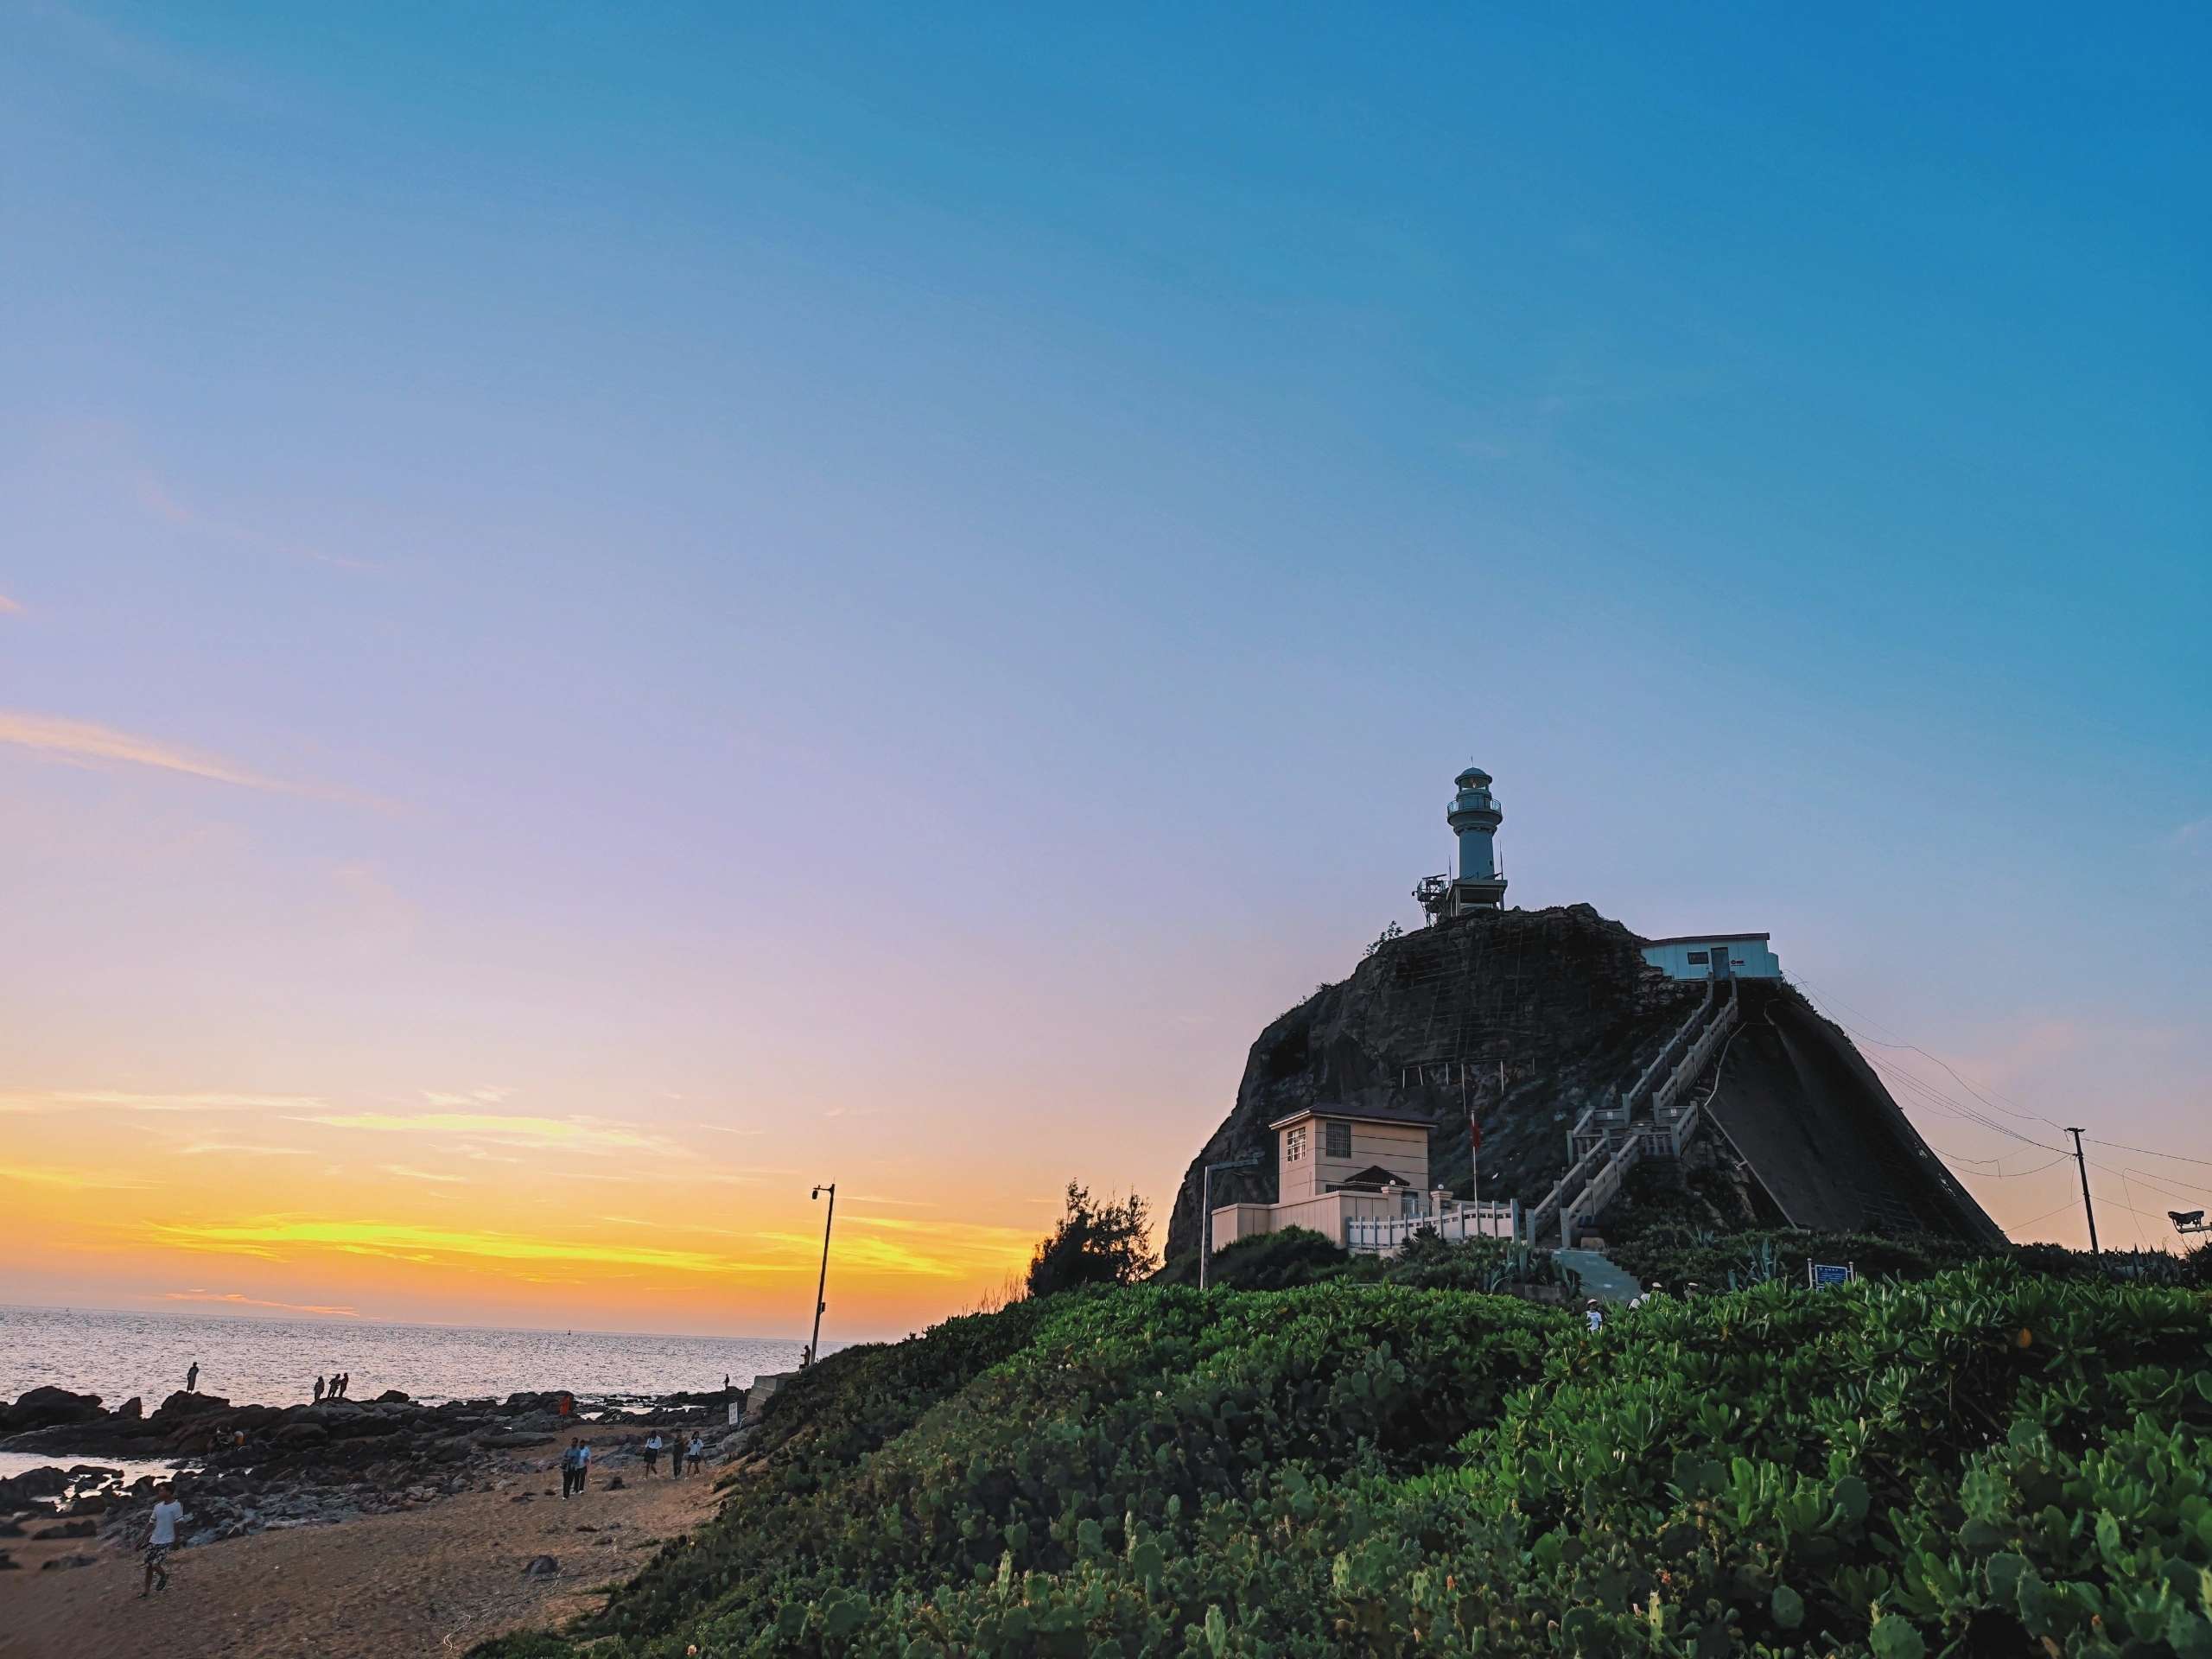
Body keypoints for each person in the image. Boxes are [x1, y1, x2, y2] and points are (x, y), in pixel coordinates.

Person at [141, 1482, 185, 1596]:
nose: (159, 1493)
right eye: (160, 1490)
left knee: (155, 1564)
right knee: (149, 1566)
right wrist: (142, 1539)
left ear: (169, 1492)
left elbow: (178, 1523)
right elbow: (151, 1523)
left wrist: (176, 1539)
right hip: (154, 1539)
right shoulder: (157, 1507)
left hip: (167, 1540)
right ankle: (146, 1591)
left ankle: (164, 1576)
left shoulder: (176, 1506)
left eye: (162, 1490)